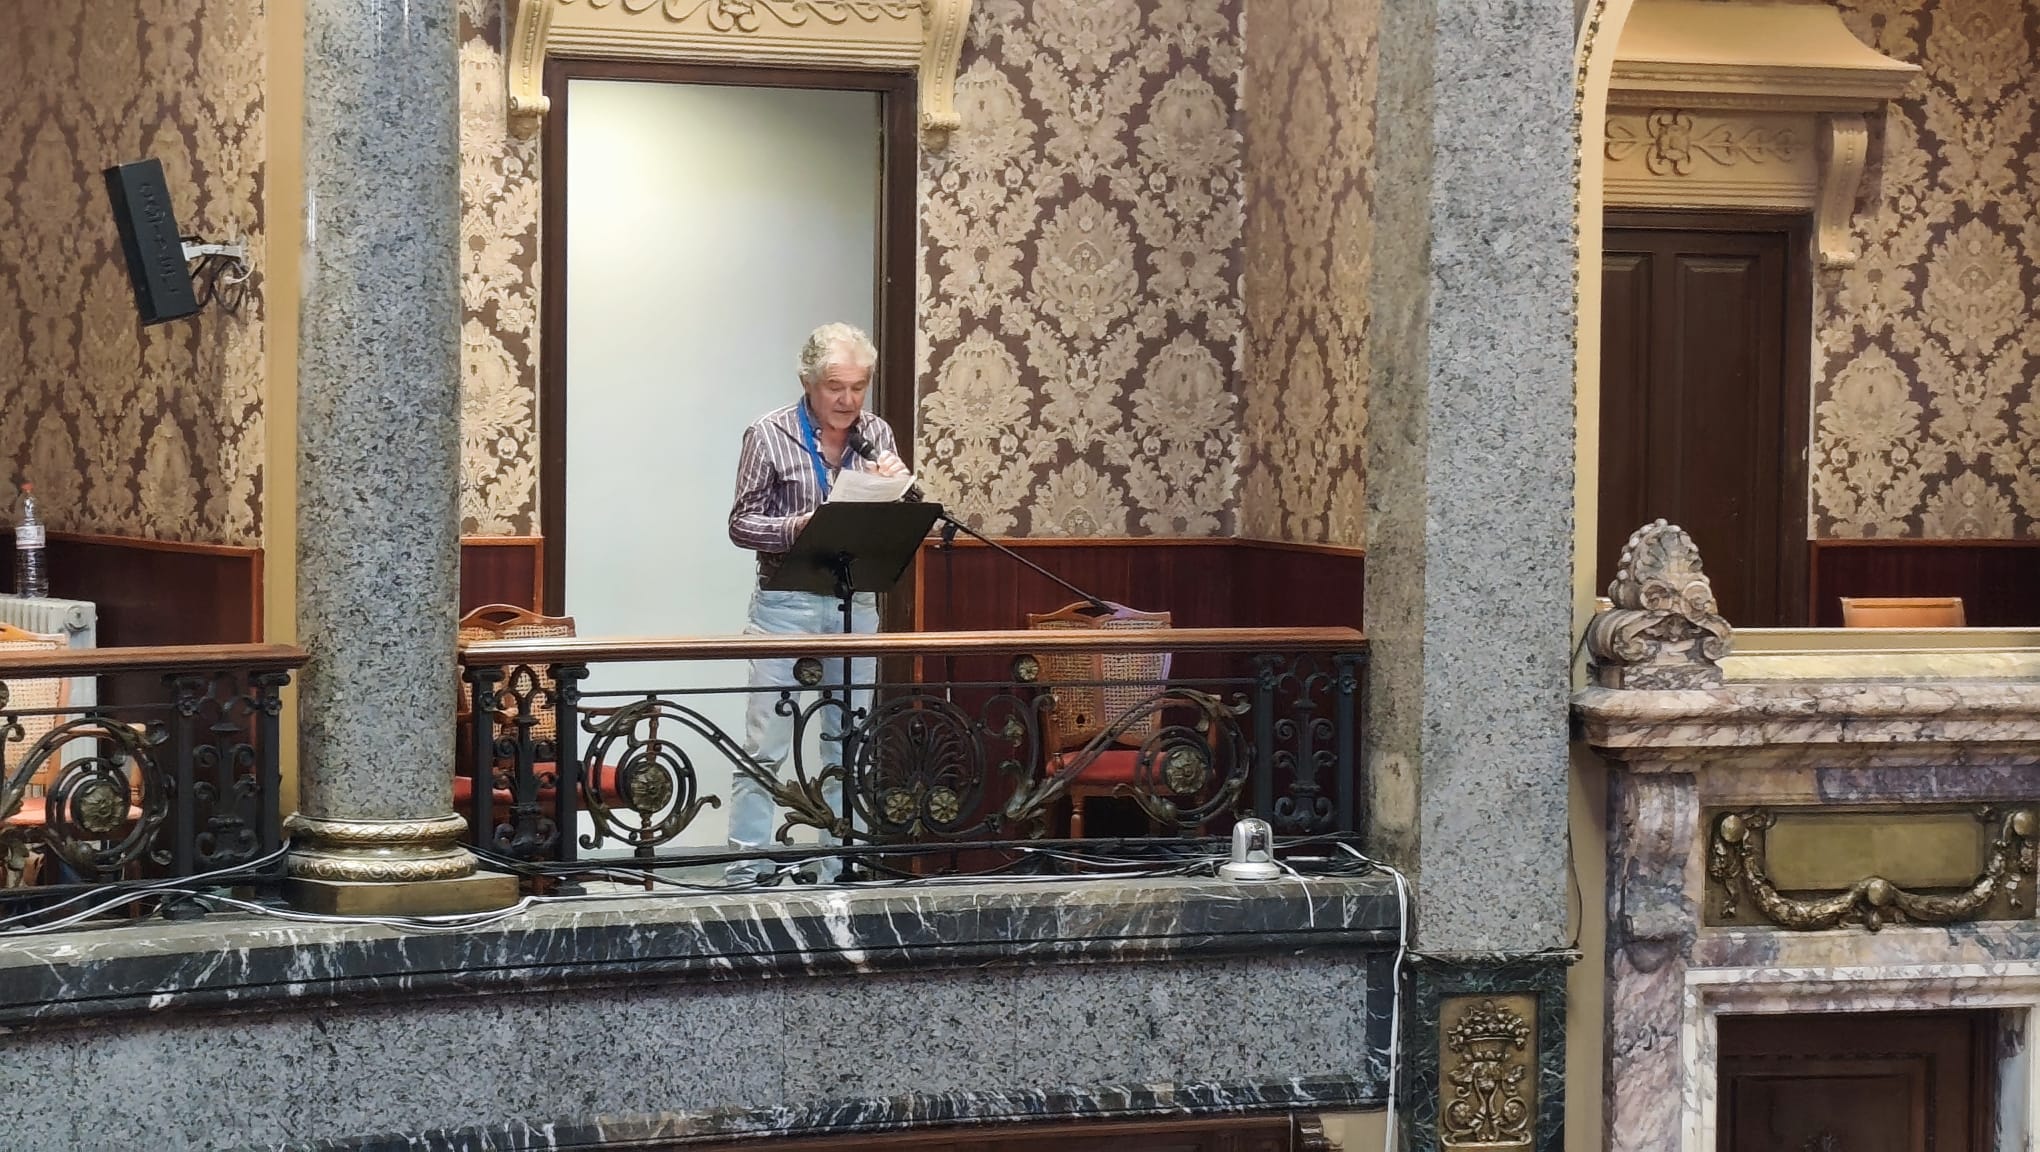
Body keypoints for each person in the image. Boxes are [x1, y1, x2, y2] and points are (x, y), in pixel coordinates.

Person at [725, 322, 907, 885]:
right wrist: (798, 527)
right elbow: (741, 524)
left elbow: (893, 527)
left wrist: (895, 493)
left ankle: (841, 866)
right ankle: (746, 869)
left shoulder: (877, 433)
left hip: (856, 605)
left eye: (859, 387)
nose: (848, 400)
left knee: (848, 740)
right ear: (808, 381)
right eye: (835, 387)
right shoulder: (769, 433)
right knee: (766, 743)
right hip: (786, 605)